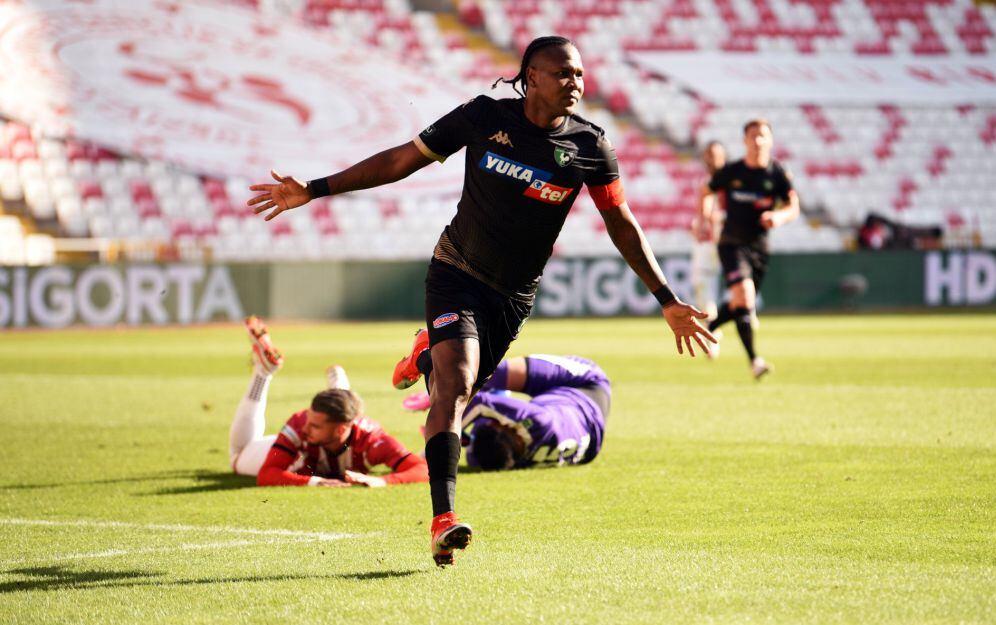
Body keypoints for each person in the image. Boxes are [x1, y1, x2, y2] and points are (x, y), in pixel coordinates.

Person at [247, 36, 715, 566]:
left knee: (458, 385)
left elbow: (621, 224)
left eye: (580, 74)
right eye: (563, 73)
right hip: (456, 271)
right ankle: (443, 520)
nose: (575, 83)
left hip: (513, 297)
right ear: (531, 76)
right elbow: (401, 160)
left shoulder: (590, 146)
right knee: (455, 387)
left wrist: (667, 298)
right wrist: (314, 188)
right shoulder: (483, 117)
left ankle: (425, 354)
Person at [229, 317, 428, 488]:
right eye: (310, 422)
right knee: (237, 458)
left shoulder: (371, 438)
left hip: (325, 444)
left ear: (341, 430)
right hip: (289, 454)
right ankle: (263, 373)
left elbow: (421, 469)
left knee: (339, 409)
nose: (306, 428)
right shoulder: (299, 425)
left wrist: (380, 481)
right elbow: (267, 474)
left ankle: (340, 389)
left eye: (315, 426)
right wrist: (315, 482)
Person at [700, 119, 800, 379]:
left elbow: (793, 207)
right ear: (745, 141)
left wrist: (779, 217)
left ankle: (712, 325)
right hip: (731, 243)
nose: (757, 141)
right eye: (752, 136)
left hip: (760, 248)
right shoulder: (733, 171)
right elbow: (706, 190)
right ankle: (755, 361)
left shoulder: (777, 174)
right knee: (745, 297)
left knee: (740, 303)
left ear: (770, 140)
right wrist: (706, 218)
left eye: (762, 135)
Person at [402, 351, 611, 470]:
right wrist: (429, 452)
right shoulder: (538, 421)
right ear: (506, 427)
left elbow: (478, 444)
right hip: (587, 386)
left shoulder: (496, 458)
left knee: (477, 411)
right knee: (492, 375)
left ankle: (431, 360)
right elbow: (479, 403)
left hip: (589, 440)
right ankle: (445, 377)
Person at [689, 141, 726, 326]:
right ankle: (712, 326)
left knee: (737, 285)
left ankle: (746, 319)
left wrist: (716, 219)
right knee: (703, 283)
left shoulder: (730, 180)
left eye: (714, 154)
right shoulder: (706, 181)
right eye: (708, 154)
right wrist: (700, 223)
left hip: (725, 240)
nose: (710, 159)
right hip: (710, 240)